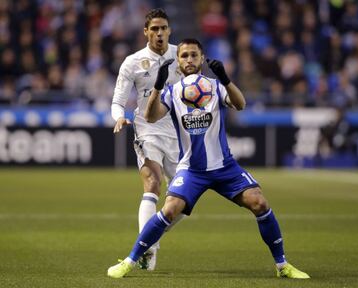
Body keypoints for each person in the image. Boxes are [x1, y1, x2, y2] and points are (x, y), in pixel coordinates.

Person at [107, 38, 310, 279]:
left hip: (224, 167)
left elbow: (241, 104)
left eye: (194, 55)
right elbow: (150, 117)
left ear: (202, 59)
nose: (189, 60)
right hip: (192, 170)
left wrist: (225, 79)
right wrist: (159, 87)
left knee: (260, 203)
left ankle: (282, 265)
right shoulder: (172, 91)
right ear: (178, 63)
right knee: (170, 209)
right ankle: (130, 260)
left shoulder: (214, 86)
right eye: (184, 56)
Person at [110, 8, 183, 271]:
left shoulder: (182, 55)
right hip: (147, 128)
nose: (160, 33)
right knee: (152, 182)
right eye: (154, 29)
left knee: (184, 201)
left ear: (170, 30)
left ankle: (150, 240)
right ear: (145, 32)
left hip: (179, 134)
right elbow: (118, 101)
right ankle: (147, 250)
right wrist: (119, 116)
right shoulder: (132, 62)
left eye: (163, 28)